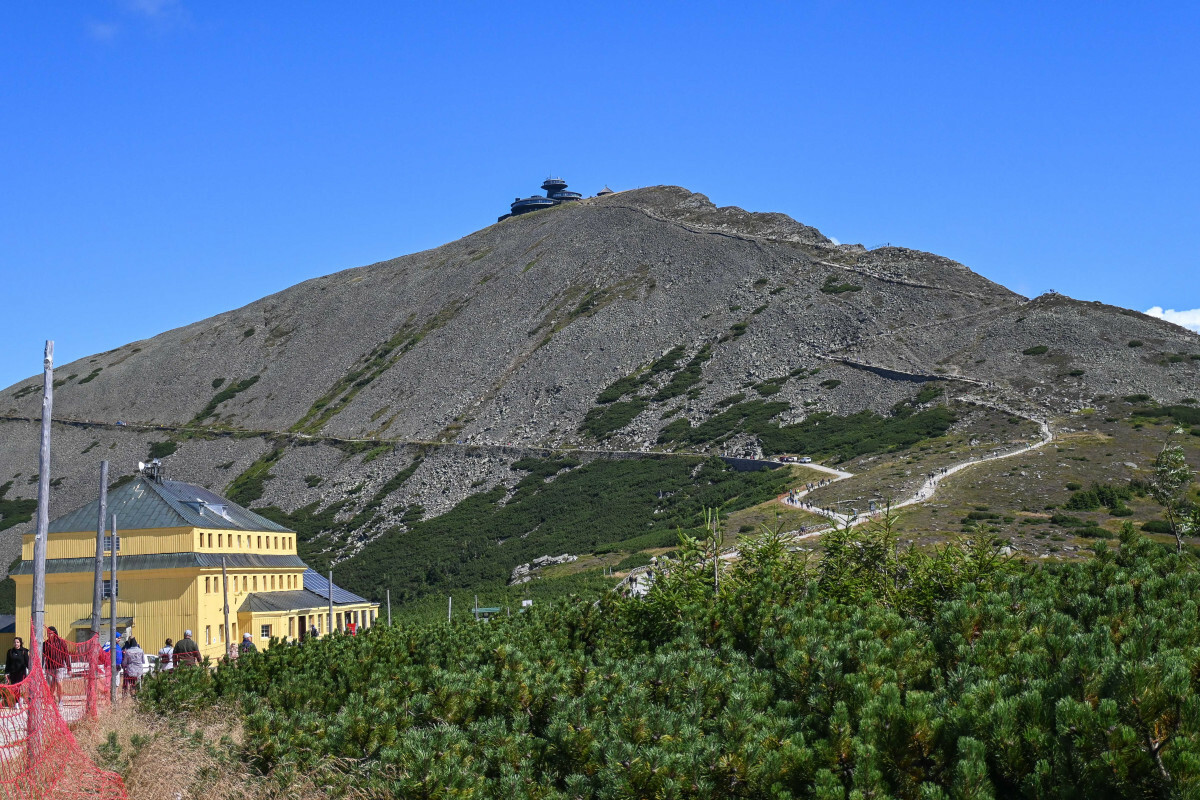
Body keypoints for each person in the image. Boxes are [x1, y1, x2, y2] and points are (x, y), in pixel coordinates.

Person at [43, 626, 71, 705]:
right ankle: (52, 700)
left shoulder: (61, 642)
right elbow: (43, 657)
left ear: (55, 633)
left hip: (60, 667)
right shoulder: (45, 644)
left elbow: (66, 655)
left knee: (59, 683)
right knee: (51, 685)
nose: (49, 635)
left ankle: (60, 700)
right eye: (48, 633)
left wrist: (69, 668)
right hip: (49, 667)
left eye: (51, 633)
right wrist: (41, 668)